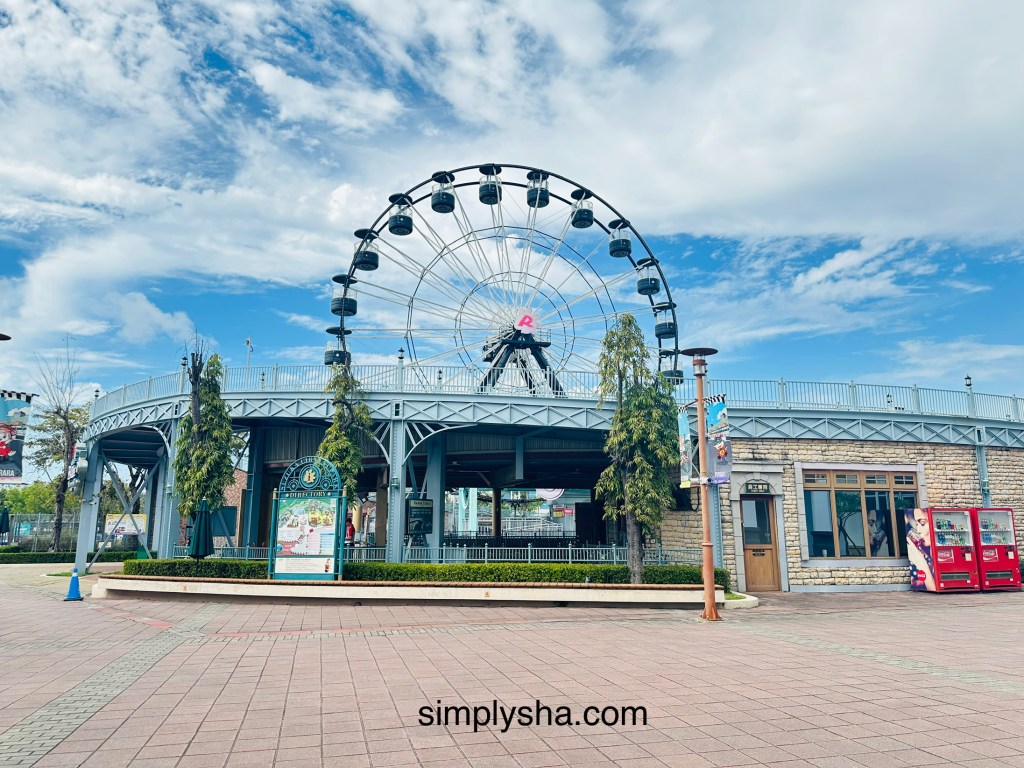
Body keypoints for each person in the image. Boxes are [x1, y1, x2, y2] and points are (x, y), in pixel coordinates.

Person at [906, 508, 935, 591]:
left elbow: (934, 588)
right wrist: (920, 582)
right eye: (917, 524)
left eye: (922, 523)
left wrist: (921, 564)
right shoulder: (928, 552)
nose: (918, 530)